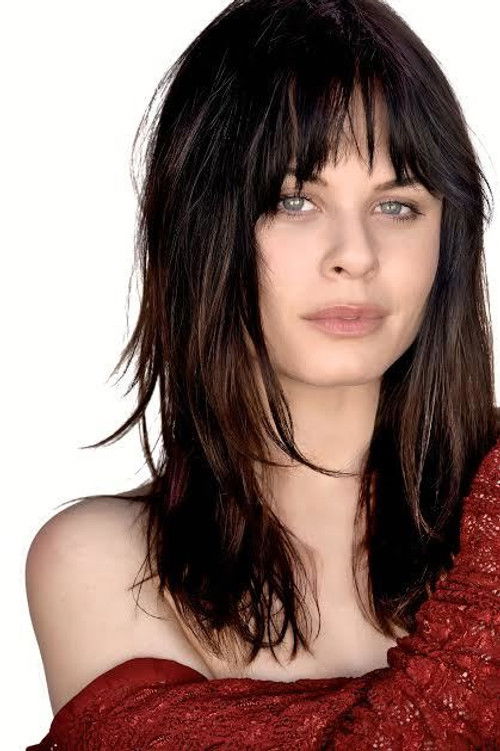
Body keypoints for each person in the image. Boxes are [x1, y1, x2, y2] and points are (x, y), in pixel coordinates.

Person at [25, 0, 500, 748]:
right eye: (295, 200)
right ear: (200, 230)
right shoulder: (103, 566)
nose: (355, 255)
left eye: (397, 205)